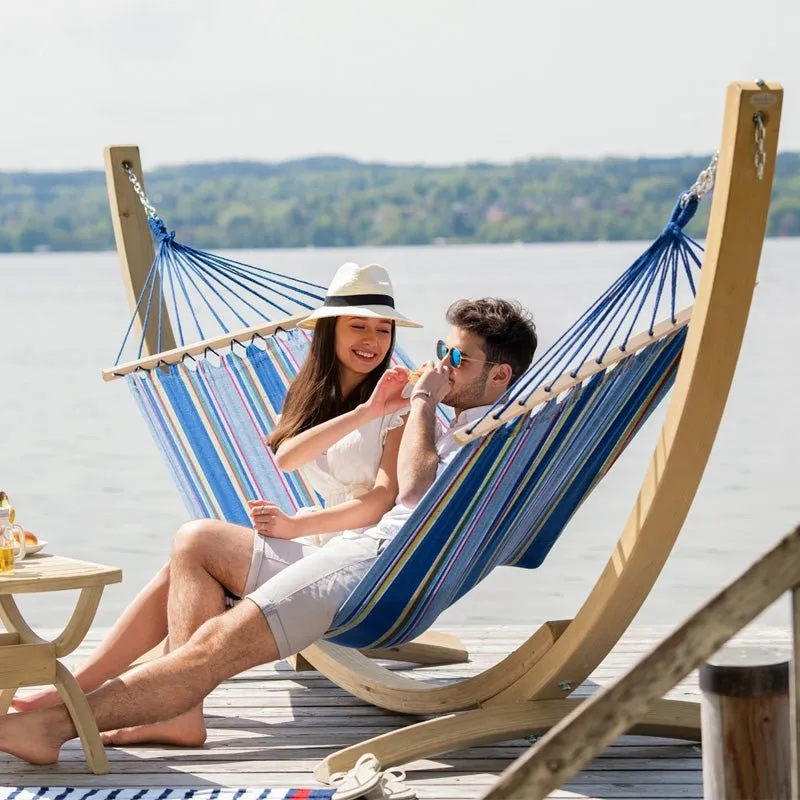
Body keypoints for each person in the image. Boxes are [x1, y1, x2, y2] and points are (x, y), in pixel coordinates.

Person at [0, 297, 537, 765]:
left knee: (212, 646)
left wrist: (422, 399)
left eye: (457, 359)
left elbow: (410, 490)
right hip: (361, 558)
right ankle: (148, 712)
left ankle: (53, 725)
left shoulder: (490, 434)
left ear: (500, 376)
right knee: (201, 546)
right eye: (444, 352)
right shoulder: (475, 424)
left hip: (370, 570)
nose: (439, 366)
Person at [13, 261, 421, 713]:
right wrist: (365, 412)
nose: (372, 341)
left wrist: (293, 528)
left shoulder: (402, 405)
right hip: (319, 548)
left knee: (197, 540)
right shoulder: (313, 393)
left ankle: (161, 707)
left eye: (383, 330)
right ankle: (87, 687)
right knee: (181, 568)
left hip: (355, 563)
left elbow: (382, 501)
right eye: (358, 326)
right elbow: (287, 458)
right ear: (329, 331)